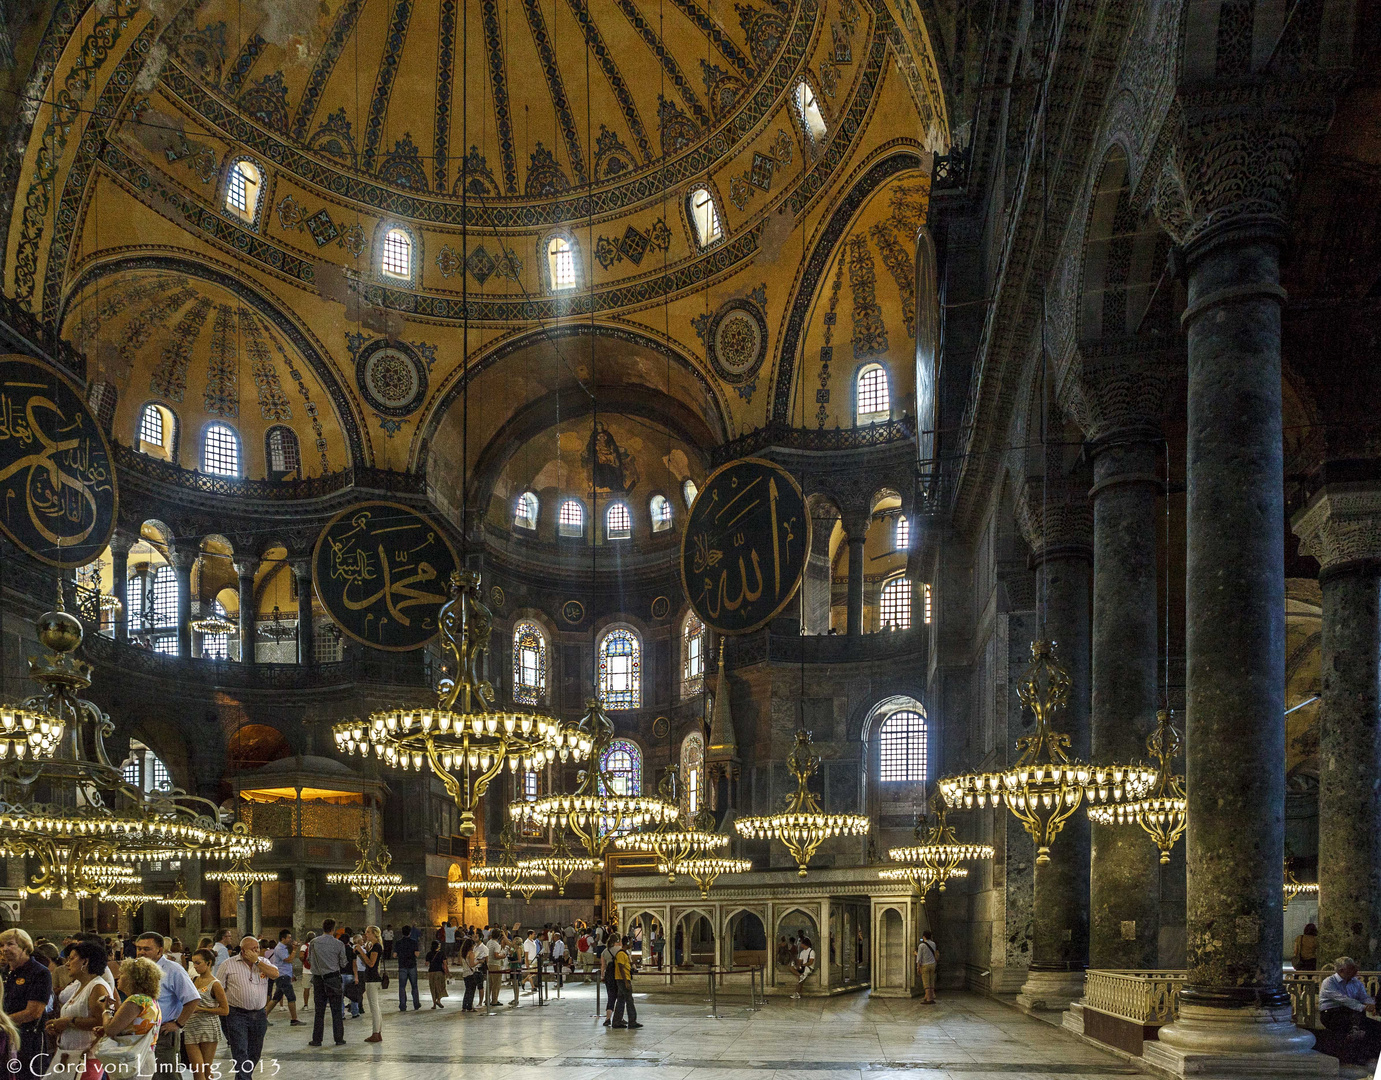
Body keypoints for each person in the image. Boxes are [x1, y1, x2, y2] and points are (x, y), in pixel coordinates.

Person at [134, 932, 201, 1077]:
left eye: (146, 949)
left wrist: (178, 1024)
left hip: (162, 1033)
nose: (141, 952)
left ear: (159, 950)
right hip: (139, 1034)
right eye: (139, 948)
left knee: (165, 1074)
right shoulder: (137, 968)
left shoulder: (173, 969)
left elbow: (193, 998)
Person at [43, 940, 111, 1080]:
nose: (67, 963)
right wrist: (58, 1026)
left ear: (85, 962)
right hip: (68, 1054)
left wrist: (69, 1022)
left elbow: (102, 1022)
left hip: (86, 1057)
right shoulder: (79, 985)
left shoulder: (97, 987)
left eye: (72, 959)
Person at [216, 936, 277, 1080]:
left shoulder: (264, 962)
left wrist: (257, 961)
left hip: (259, 1014)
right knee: (240, 1050)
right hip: (236, 1014)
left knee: (255, 1052)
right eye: (252, 949)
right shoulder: (228, 964)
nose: (256, 951)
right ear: (243, 951)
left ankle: (243, 1077)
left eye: (257, 948)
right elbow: (218, 988)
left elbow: (275, 974)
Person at [94, 958, 162, 1080]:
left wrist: (106, 1009)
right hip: (145, 1057)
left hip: (130, 1060)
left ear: (133, 979)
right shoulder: (150, 1001)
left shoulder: (135, 1000)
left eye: (123, 974)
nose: (118, 977)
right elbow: (134, 1029)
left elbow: (110, 1029)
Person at [1319, 956, 1381, 1065]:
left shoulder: (1356, 982)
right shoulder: (1329, 982)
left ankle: (1369, 1056)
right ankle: (1352, 1057)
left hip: (1352, 1014)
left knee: (1376, 1027)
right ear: (1341, 970)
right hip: (1332, 1014)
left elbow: (1364, 997)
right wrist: (1364, 1007)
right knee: (1357, 1028)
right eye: (1352, 968)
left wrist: (1373, 1005)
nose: (1356, 970)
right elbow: (1343, 1000)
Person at [182, 949, 227, 1080]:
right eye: (193, 963)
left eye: (198, 963)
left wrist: (202, 1009)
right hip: (191, 1027)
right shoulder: (193, 980)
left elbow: (225, 1010)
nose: (195, 966)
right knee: (197, 1069)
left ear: (208, 963)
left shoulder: (215, 984)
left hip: (208, 1027)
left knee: (206, 1070)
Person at [306, 919, 347, 1048]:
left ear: (322, 927)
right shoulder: (339, 944)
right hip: (333, 979)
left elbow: (309, 959)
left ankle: (317, 1039)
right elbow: (343, 963)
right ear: (333, 929)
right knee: (336, 1010)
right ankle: (339, 1038)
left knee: (319, 1011)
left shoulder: (313, 942)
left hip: (318, 979)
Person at [264, 929, 303, 1025]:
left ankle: (263, 1018)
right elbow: (288, 960)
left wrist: (291, 974)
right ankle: (294, 1019)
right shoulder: (280, 949)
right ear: (283, 938)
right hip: (282, 976)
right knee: (291, 997)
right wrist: (294, 950)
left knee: (276, 998)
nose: (290, 939)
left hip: (284, 975)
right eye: (289, 937)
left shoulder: (284, 947)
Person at [355, 927, 383, 1043]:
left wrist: (362, 952)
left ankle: (376, 1033)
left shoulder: (376, 946)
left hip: (373, 979)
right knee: (375, 1006)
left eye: (368, 932)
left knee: (374, 1007)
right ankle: (377, 1032)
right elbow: (366, 962)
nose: (365, 934)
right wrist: (363, 952)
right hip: (371, 978)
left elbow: (371, 964)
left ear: (374, 934)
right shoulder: (372, 946)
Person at [611, 935, 641, 1029]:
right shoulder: (620, 954)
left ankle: (616, 1021)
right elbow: (620, 967)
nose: (632, 944)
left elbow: (625, 966)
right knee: (629, 1000)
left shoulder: (624, 954)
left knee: (621, 1000)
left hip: (624, 979)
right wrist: (626, 981)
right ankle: (632, 1021)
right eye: (631, 942)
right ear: (627, 943)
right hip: (622, 979)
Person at [600, 935, 620, 1026]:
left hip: (609, 975)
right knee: (620, 998)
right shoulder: (620, 950)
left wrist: (602, 976)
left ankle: (608, 1018)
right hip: (619, 975)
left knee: (611, 997)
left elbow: (603, 966)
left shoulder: (605, 951)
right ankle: (619, 1018)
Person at [485, 932, 507, 1009]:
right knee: (496, 983)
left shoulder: (489, 942)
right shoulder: (496, 945)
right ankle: (494, 1000)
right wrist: (503, 956)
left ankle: (487, 999)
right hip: (495, 965)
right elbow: (496, 955)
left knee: (490, 983)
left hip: (489, 964)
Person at [916, 930, 938, 1004]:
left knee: (926, 982)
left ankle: (928, 999)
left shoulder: (921, 945)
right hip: (933, 964)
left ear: (924, 936)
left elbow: (919, 958)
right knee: (931, 981)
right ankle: (930, 996)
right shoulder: (933, 944)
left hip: (925, 965)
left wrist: (918, 967)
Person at [792, 935, 816, 1000]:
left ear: (804, 944)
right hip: (803, 967)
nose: (800, 944)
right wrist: (798, 965)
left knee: (801, 981)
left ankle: (797, 993)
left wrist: (803, 965)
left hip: (808, 968)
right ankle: (800, 974)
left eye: (801, 943)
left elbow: (811, 962)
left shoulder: (811, 951)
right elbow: (800, 961)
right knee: (791, 968)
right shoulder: (802, 952)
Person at [427, 940, 449, 1010]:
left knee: (433, 988)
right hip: (439, 972)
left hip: (431, 972)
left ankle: (434, 1004)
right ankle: (438, 1000)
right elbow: (445, 964)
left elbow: (426, 963)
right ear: (438, 946)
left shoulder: (429, 953)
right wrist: (447, 972)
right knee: (441, 986)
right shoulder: (442, 953)